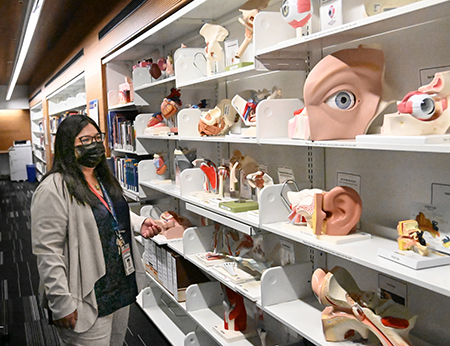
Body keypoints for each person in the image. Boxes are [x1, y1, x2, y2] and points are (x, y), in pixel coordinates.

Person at [31, 113, 163, 346]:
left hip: (118, 284)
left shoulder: (103, 178)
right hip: (86, 293)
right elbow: (47, 252)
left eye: (97, 138)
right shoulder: (54, 188)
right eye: (84, 140)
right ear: (67, 145)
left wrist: (138, 223)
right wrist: (61, 303)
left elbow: (107, 212)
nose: (94, 144)